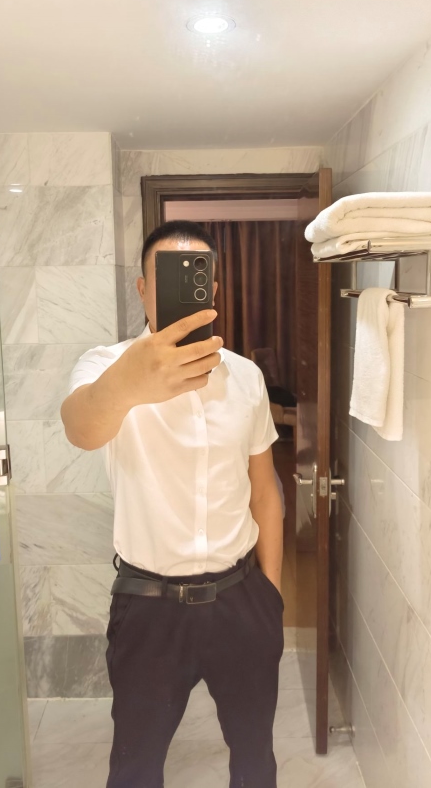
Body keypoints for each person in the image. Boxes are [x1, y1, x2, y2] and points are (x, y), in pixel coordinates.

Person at [60, 219, 284, 788]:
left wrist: (272, 595)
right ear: (143, 289)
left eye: (197, 276)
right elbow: (81, 428)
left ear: (214, 289)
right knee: (135, 769)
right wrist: (130, 384)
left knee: (255, 761)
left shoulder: (246, 378)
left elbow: (264, 489)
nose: (184, 290)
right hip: (149, 607)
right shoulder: (105, 365)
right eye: (167, 278)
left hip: (242, 599)